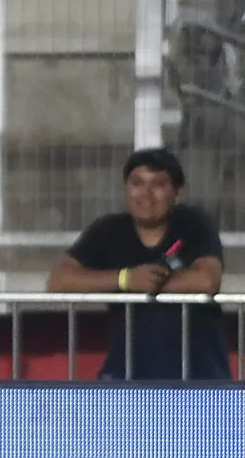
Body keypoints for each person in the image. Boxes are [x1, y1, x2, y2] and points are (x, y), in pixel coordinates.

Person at [47, 148, 229, 381]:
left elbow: (207, 280)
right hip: (126, 377)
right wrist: (126, 279)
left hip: (199, 377)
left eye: (159, 184)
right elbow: (58, 280)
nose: (146, 194)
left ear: (177, 192)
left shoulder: (194, 223)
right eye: (136, 183)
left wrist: (152, 284)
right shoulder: (108, 230)